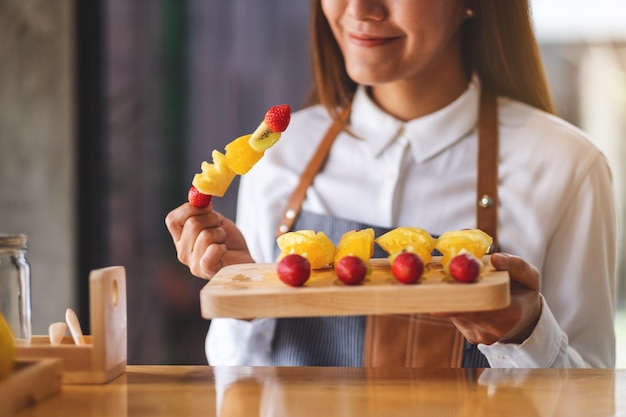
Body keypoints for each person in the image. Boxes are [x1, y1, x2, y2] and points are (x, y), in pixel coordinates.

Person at [165, 0, 617, 368]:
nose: (360, 9)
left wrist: (524, 332)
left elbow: (590, 398)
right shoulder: (279, 154)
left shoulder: (568, 166)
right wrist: (249, 295)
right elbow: (237, 380)